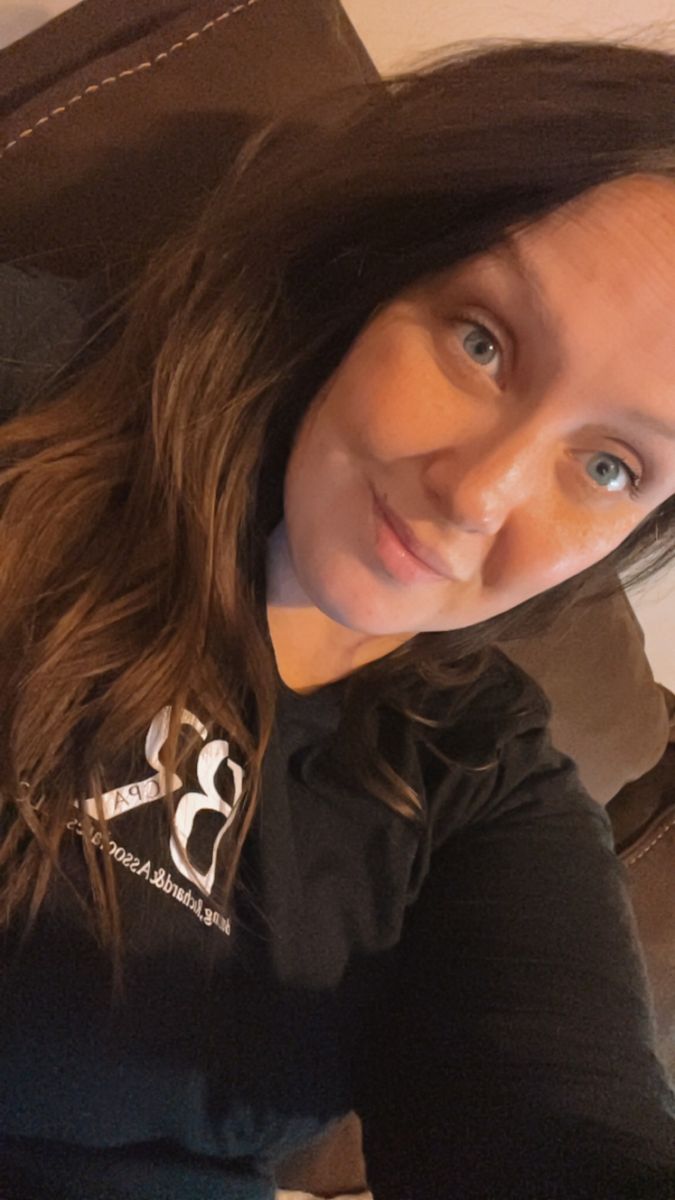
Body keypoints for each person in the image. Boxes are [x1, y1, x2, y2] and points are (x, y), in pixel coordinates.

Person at [1, 33, 675, 1200]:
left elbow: (561, 1125)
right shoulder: (45, 384)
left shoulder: (481, 782)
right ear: (374, 274)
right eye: (483, 343)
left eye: (610, 466)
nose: (478, 493)